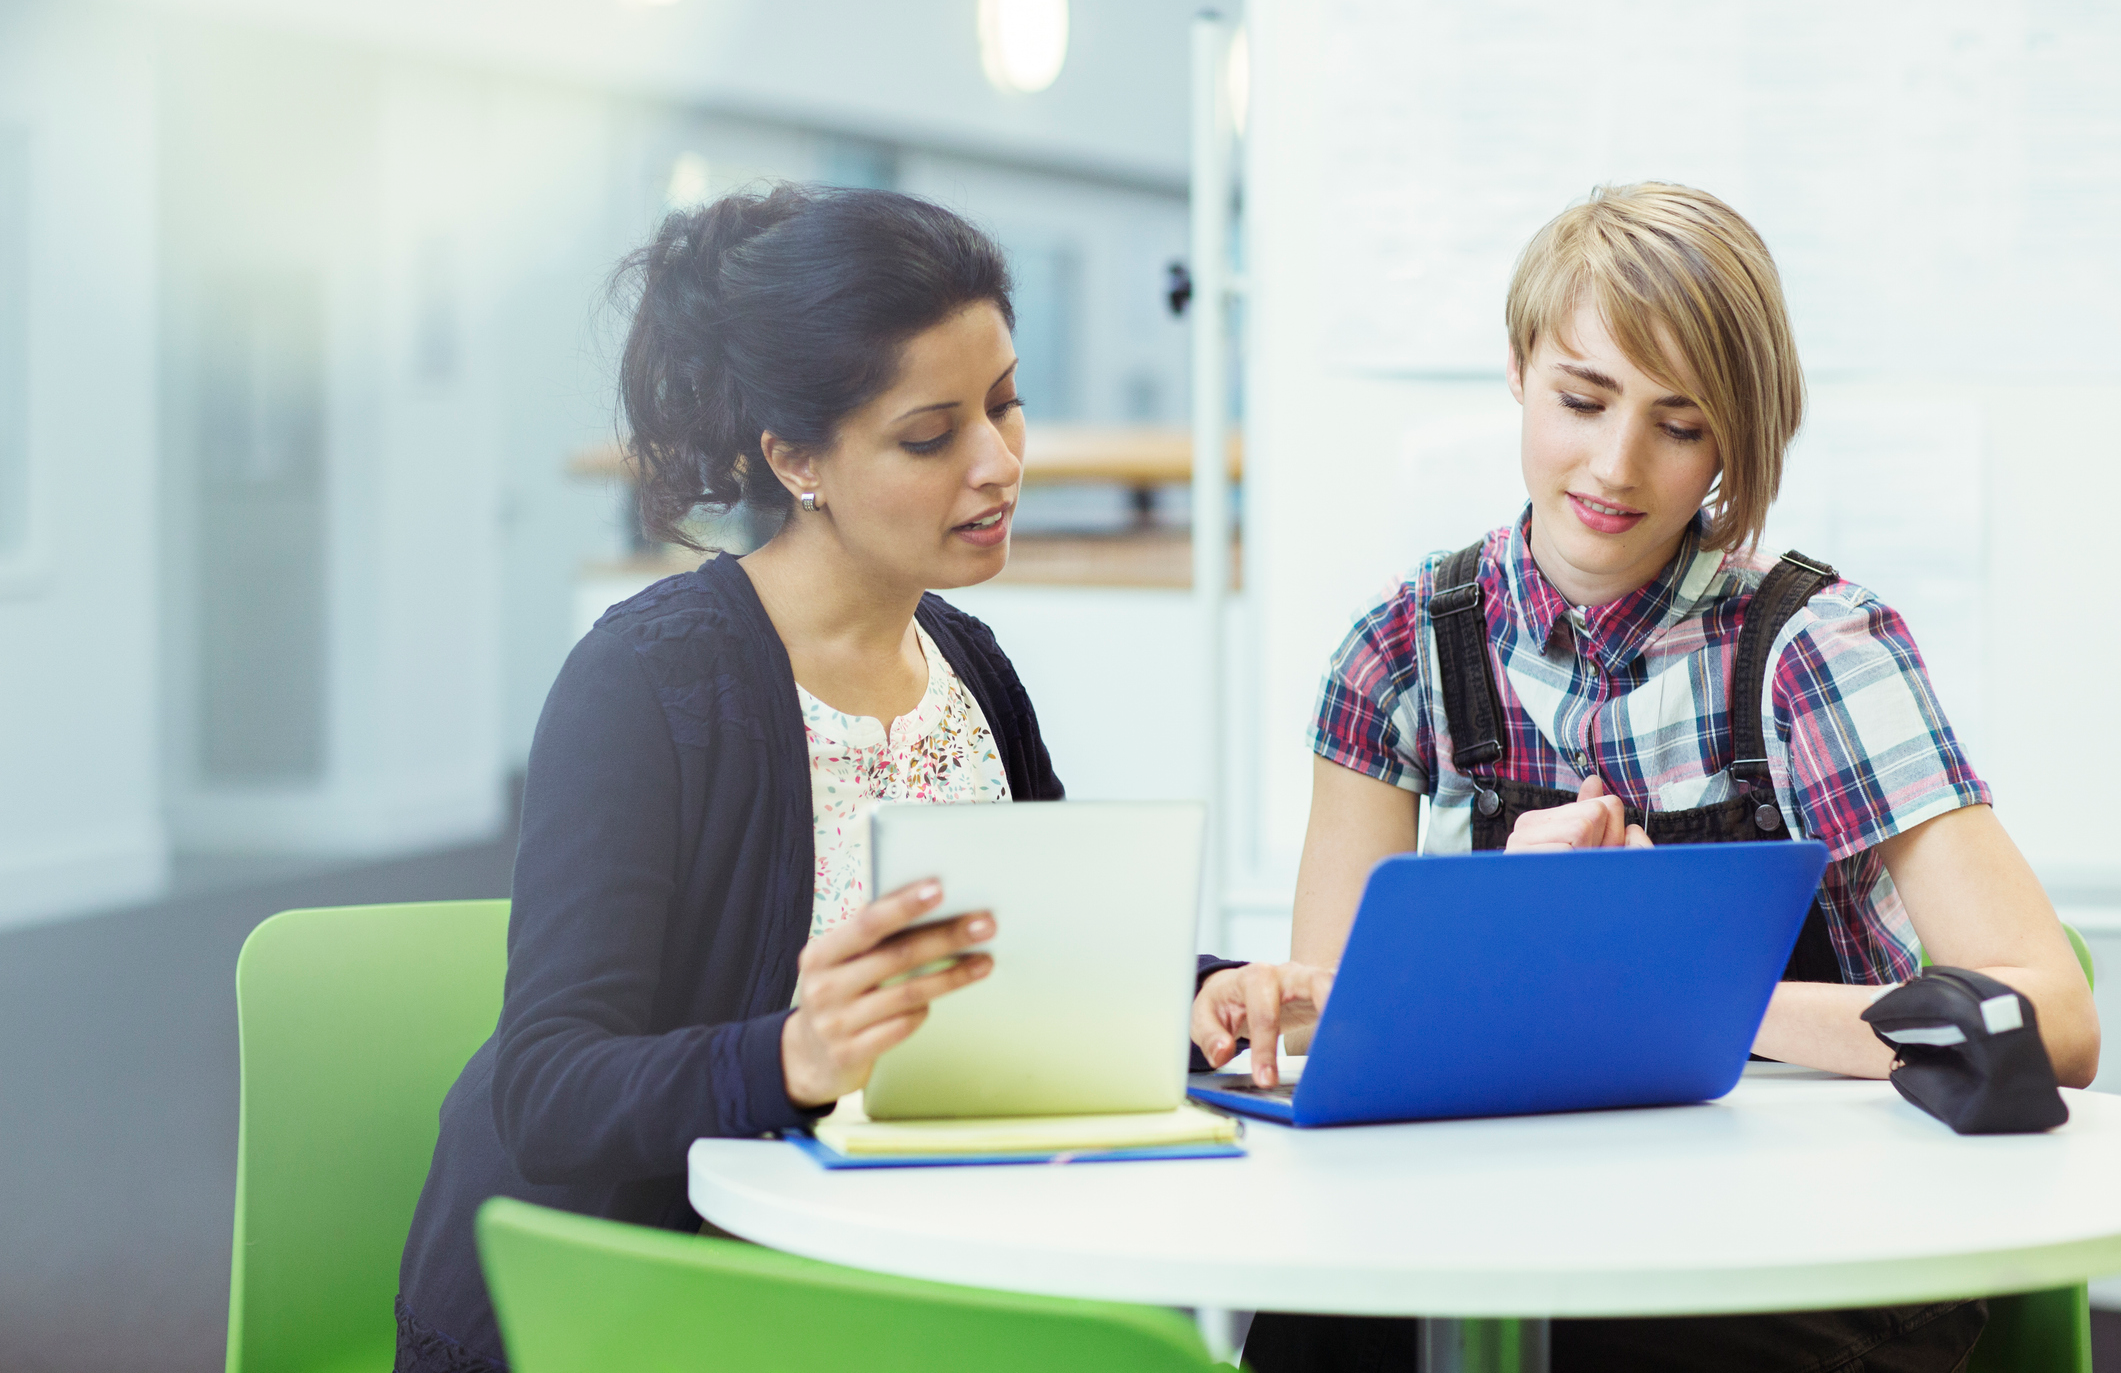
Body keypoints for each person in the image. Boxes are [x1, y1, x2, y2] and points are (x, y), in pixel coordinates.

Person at [1190, 183, 2099, 1372]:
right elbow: (1343, 1037)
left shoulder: (1812, 650)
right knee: (1320, 1336)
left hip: (1820, 1245)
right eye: (1582, 398)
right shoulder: (1398, 653)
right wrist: (1490, 937)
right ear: (1518, 366)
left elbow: (2056, 1022)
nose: (1615, 466)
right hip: (1519, 1220)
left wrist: (1664, 993)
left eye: (1679, 425)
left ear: (1732, 444)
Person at [393, 184, 1061, 1373]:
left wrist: (1197, 998)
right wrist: (793, 1059)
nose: (999, 464)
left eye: (1007, 406)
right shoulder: (646, 685)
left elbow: (1049, 960)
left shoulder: (968, 664)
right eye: (931, 434)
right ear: (797, 457)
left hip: (907, 1257)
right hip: (649, 1300)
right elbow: (546, 1091)